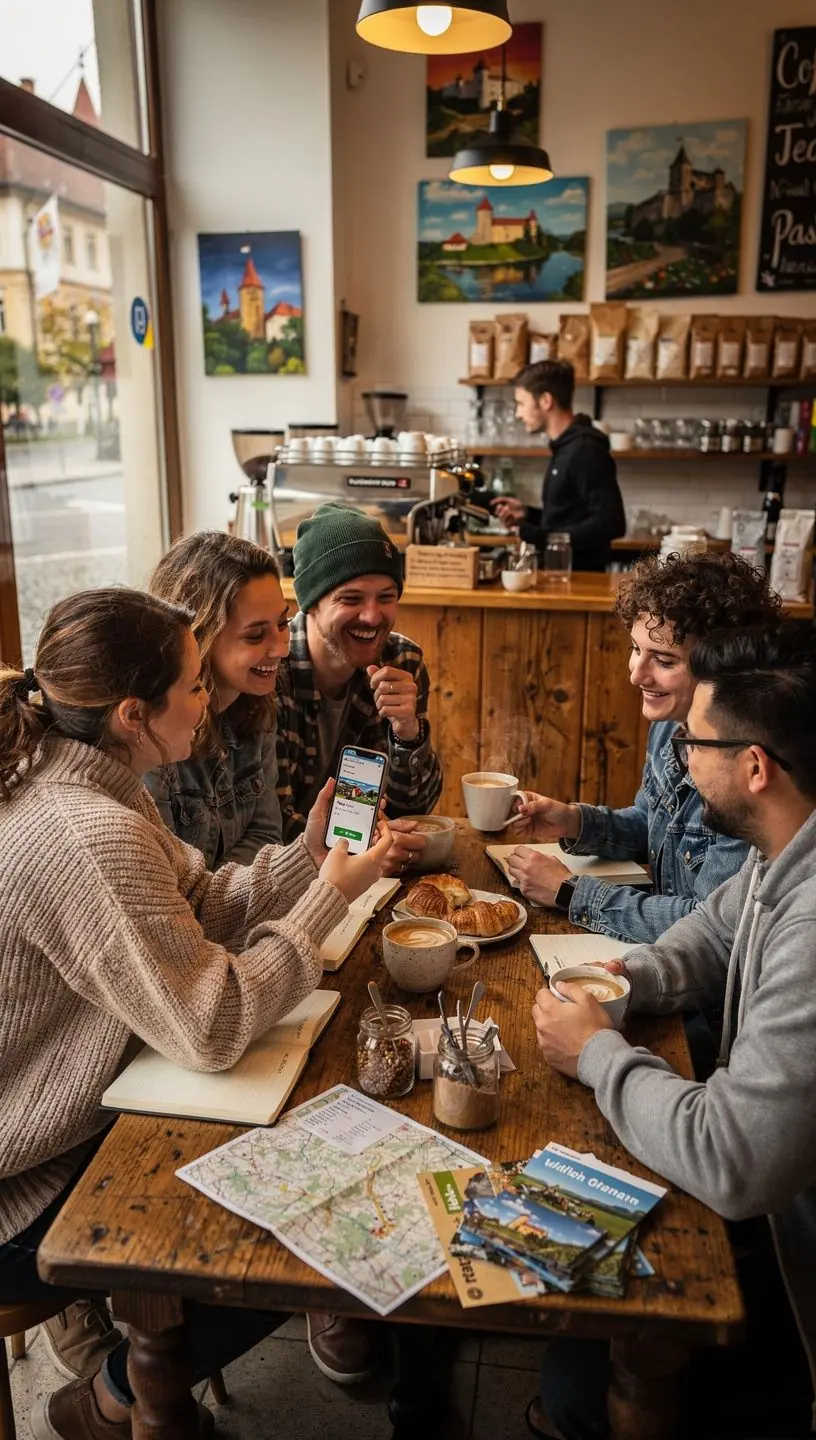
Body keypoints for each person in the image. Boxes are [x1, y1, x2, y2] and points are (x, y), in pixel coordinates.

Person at [0, 587, 391, 1440]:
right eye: (194, 686)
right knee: (283, 1244)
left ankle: (126, 1390)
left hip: (69, 1113)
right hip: (18, 1182)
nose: (210, 701)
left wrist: (307, 859)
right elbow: (209, 1026)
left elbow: (197, 903)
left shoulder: (93, 774)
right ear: (134, 714)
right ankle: (115, 1399)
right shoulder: (83, 831)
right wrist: (326, 900)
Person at [530, 625, 816, 1440]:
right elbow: (712, 937)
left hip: (796, 1282)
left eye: (696, 741)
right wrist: (622, 981)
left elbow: (734, 1157)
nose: (681, 757)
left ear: (755, 768)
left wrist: (597, 1054)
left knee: (583, 1377)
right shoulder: (782, 844)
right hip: (773, 1204)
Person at [505, 552, 782, 944]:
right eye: (636, 649)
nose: (636, 674)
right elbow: (653, 825)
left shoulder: (745, 773)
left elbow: (710, 928)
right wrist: (573, 821)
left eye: (664, 660)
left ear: (723, 669)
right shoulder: (671, 723)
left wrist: (570, 892)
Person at [277, 502, 443, 869]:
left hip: (369, 878)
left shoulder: (402, 661)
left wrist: (408, 733)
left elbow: (414, 809)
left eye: (386, 597)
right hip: (290, 880)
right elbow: (270, 824)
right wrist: (357, 851)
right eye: (350, 599)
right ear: (311, 604)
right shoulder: (271, 671)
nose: (371, 616)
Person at [144, 531, 288, 866]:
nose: (281, 647)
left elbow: (266, 836)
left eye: (283, 623)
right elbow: (170, 883)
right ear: (199, 638)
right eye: (255, 635)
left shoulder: (257, 706)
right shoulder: (152, 737)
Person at [491, 360, 625, 572]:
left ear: (545, 400)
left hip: (580, 581)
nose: (518, 414)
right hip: (561, 575)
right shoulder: (565, 447)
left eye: (521, 403)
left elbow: (611, 522)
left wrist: (540, 536)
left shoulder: (584, 450)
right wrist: (528, 514)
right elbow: (570, 515)